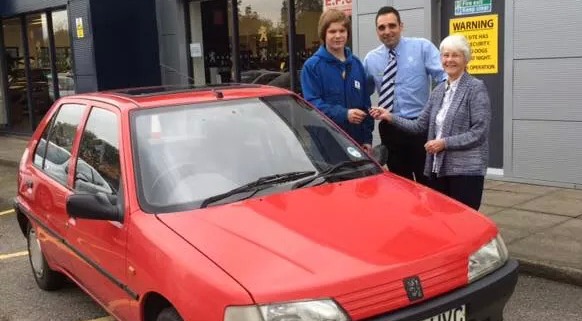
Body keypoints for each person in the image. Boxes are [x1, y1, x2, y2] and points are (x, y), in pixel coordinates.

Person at [369, 34, 491, 210]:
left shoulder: (475, 88)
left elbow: (479, 132)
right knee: (441, 219)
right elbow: (419, 125)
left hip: (465, 170)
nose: (449, 60)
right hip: (439, 169)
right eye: (445, 55)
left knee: (463, 221)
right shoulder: (439, 90)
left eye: (455, 55)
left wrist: (444, 143)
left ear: (466, 59)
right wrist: (389, 116)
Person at [364, 6, 446, 184]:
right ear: (377, 31)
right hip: (390, 128)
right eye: (382, 27)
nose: (387, 31)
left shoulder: (422, 47)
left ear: (401, 26)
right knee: (401, 185)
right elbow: (363, 93)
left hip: (420, 127)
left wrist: (436, 110)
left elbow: (444, 78)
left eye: (392, 25)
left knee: (428, 184)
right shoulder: (371, 59)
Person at [301, 9, 373, 153]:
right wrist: (344, 114)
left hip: (356, 144)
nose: (338, 36)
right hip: (325, 146)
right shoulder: (312, 67)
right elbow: (312, 105)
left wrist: (367, 139)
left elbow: (366, 105)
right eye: (332, 31)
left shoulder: (357, 64)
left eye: (342, 30)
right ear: (324, 34)